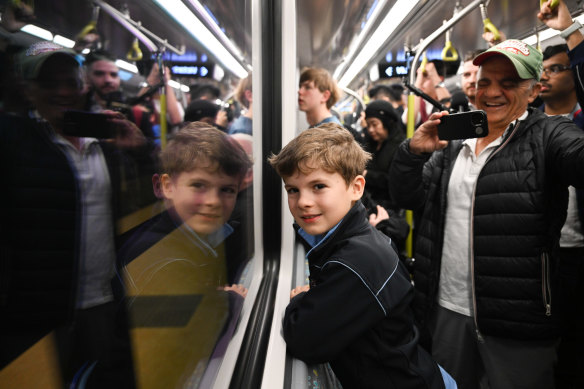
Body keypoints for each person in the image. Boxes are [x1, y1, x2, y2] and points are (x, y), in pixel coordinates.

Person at [388, 38, 584, 389]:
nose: (492, 92)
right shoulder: (455, 139)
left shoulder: (549, 135)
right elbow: (410, 197)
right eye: (484, 83)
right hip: (445, 307)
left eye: (508, 84)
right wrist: (412, 152)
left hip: (518, 320)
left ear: (533, 91)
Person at [269, 123, 456, 389]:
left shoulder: (355, 263)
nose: (303, 202)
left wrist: (303, 299)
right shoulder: (354, 241)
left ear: (356, 188)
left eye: (318, 186)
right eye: (293, 190)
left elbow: (304, 339)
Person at [0, 41, 144, 387]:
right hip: (35, 310)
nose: (64, 92)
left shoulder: (104, 143)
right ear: (28, 90)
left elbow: (147, 203)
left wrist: (140, 152)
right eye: (50, 84)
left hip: (104, 301)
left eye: (71, 82)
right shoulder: (13, 140)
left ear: (84, 86)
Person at [116, 123, 252, 387]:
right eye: (199, 185)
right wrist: (229, 301)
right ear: (165, 186)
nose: (213, 201)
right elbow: (192, 334)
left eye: (227, 190)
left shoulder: (181, 238)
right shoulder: (162, 259)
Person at [537, 2, 584, 387]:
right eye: (542, 71)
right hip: (546, 252)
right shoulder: (531, 127)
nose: (547, 77)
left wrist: (570, 32)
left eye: (556, 68)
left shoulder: (579, 124)